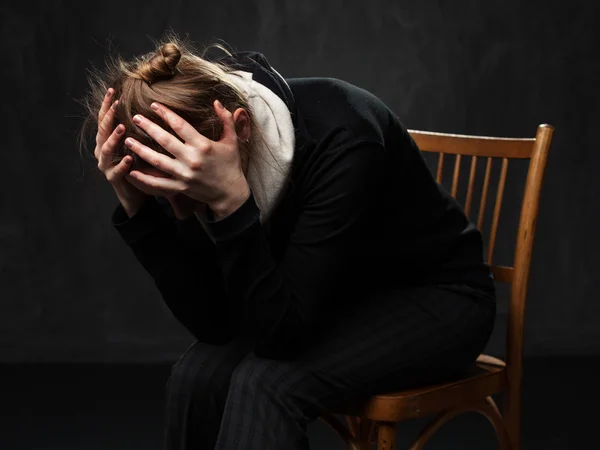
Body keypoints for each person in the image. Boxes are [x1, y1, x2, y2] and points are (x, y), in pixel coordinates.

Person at [79, 33, 496, 450]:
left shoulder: (346, 135)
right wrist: (138, 208)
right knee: (198, 374)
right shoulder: (204, 143)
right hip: (335, 295)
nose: (180, 210)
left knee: (268, 383)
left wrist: (230, 203)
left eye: (184, 190)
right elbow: (215, 325)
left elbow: (280, 337)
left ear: (241, 127)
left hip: (440, 298)